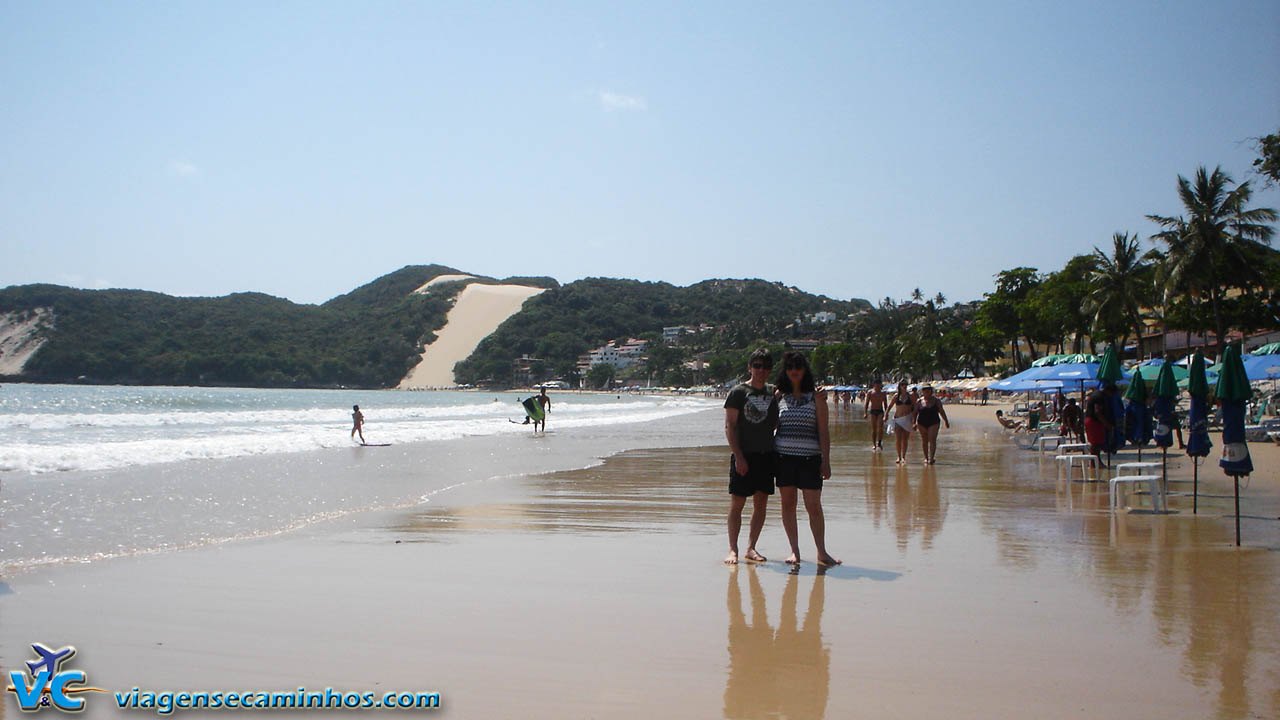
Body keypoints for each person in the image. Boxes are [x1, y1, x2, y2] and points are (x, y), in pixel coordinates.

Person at [774, 351, 840, 566]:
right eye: (790, 367)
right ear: (785, 371)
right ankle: (794, 551)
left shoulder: (817, 397)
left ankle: (822, 551)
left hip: (810, 459)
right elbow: (771, 427)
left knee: (813, 506)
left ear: (805, 370)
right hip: (783, 458)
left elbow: (823, 430)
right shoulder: (779, 397)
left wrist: (826, 460)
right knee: (788, 505)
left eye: (798, 367)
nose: (794, 371)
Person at [723, 349, 779, 565]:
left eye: (765, 367)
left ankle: (751, 547)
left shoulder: (773, 392)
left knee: (761, 504)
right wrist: (738, 456)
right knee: (737, 503)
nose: (761, 370)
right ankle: (733, 549)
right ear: (749, 367)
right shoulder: (738, 392)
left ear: (770, 370)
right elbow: (730, 425)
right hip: (743, 455)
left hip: (766, 455)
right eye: (757, 366)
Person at [913, 385, 950, 464]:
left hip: (934, 422)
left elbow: (941, 411)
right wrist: (914, 423)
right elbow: (915, 413)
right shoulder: (919, 401)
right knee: (924, 440)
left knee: (932, 439)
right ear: (922, 391)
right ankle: (926, 457)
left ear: (931, 391)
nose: (927, 391)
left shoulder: (936, 401)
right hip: (921, 422)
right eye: (925, 390)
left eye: (928, 390)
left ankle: (932, 458)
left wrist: (946, 421)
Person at [1084, 385, 1114, 468]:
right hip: (1094, 421)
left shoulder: (1097, 394)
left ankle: (1096, 461)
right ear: (1109, 391)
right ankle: (1094, 463)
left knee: (1097, 443)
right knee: (1095, 443)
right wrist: (1106, 424)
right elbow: (1097, 412)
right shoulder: (1099, 397)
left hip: (1094, 421)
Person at [889, 381, 915, 464]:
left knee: (905, 439)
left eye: (905, 385)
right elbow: (890, 406)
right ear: (899, 386)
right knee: (898, 439)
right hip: (898, 418)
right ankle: (899, 456)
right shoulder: (896, 396)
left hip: (907, 418)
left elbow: (914, 408)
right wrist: (885, 415)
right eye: (902, 385)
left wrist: (914, 420)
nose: (904, 386)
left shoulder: (910, 396)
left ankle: (903, 456)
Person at [863, 380, 888, 451]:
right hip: (873, 411)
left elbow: (885, 404)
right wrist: (865, 413)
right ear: (874, 385)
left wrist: (886, 413)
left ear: (880, 385)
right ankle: (874, 444)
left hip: (880, 411)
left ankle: (879, 442)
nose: (877, 386)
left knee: (880, 428)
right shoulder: (870, 392)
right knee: (874, 429)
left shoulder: (883, 393)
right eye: (876, 385)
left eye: (879, 385)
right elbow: (867, 403)